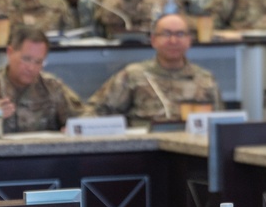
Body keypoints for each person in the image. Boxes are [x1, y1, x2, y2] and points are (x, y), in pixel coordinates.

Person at [88, 12, 222, 125]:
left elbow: (220, 122)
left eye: (180, 34)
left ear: (189, 40)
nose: (173, 41)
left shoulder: (205, 79)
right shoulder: (133, 75)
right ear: (153, 40)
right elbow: (95, 111)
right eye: (166, 34)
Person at [0, 26, 83, 136]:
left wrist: (73, 128)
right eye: (26, 59)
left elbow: (85, 117)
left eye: (38, 62)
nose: (31, 68)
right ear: (10, 52)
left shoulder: (52, 86)